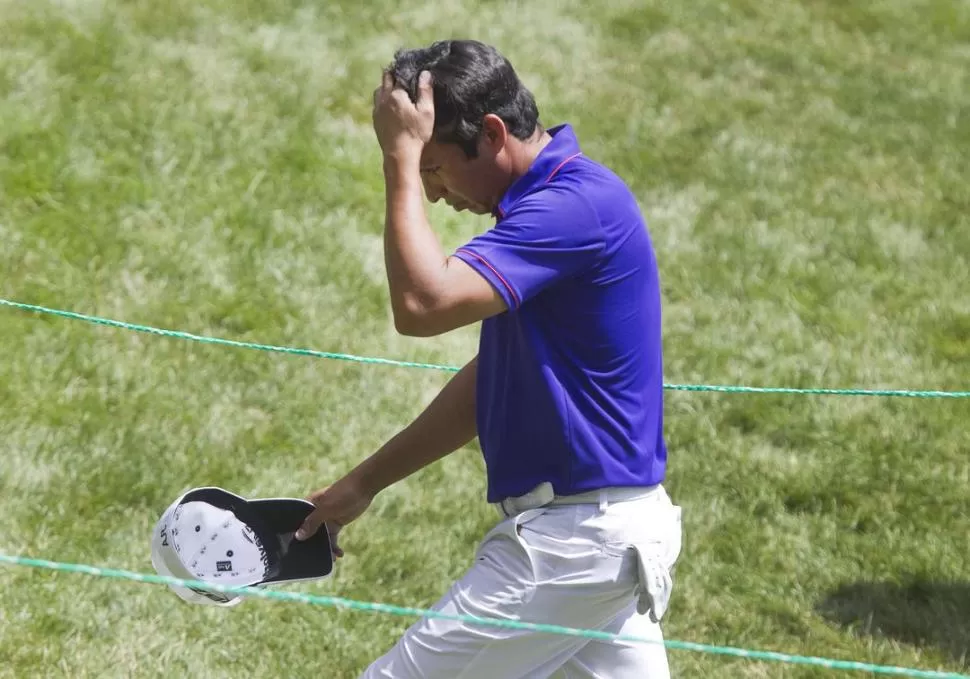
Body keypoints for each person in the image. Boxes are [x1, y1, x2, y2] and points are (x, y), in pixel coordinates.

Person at [294, 39, 683, 679]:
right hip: (606, 542)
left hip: (575, 546)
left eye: (437, 169)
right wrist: (362, 484)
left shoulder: (573, 209)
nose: (435, 194)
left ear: (494, 133)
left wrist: (398, 157)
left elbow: (421, 305)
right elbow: (493, 384)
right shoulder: (543, 210)